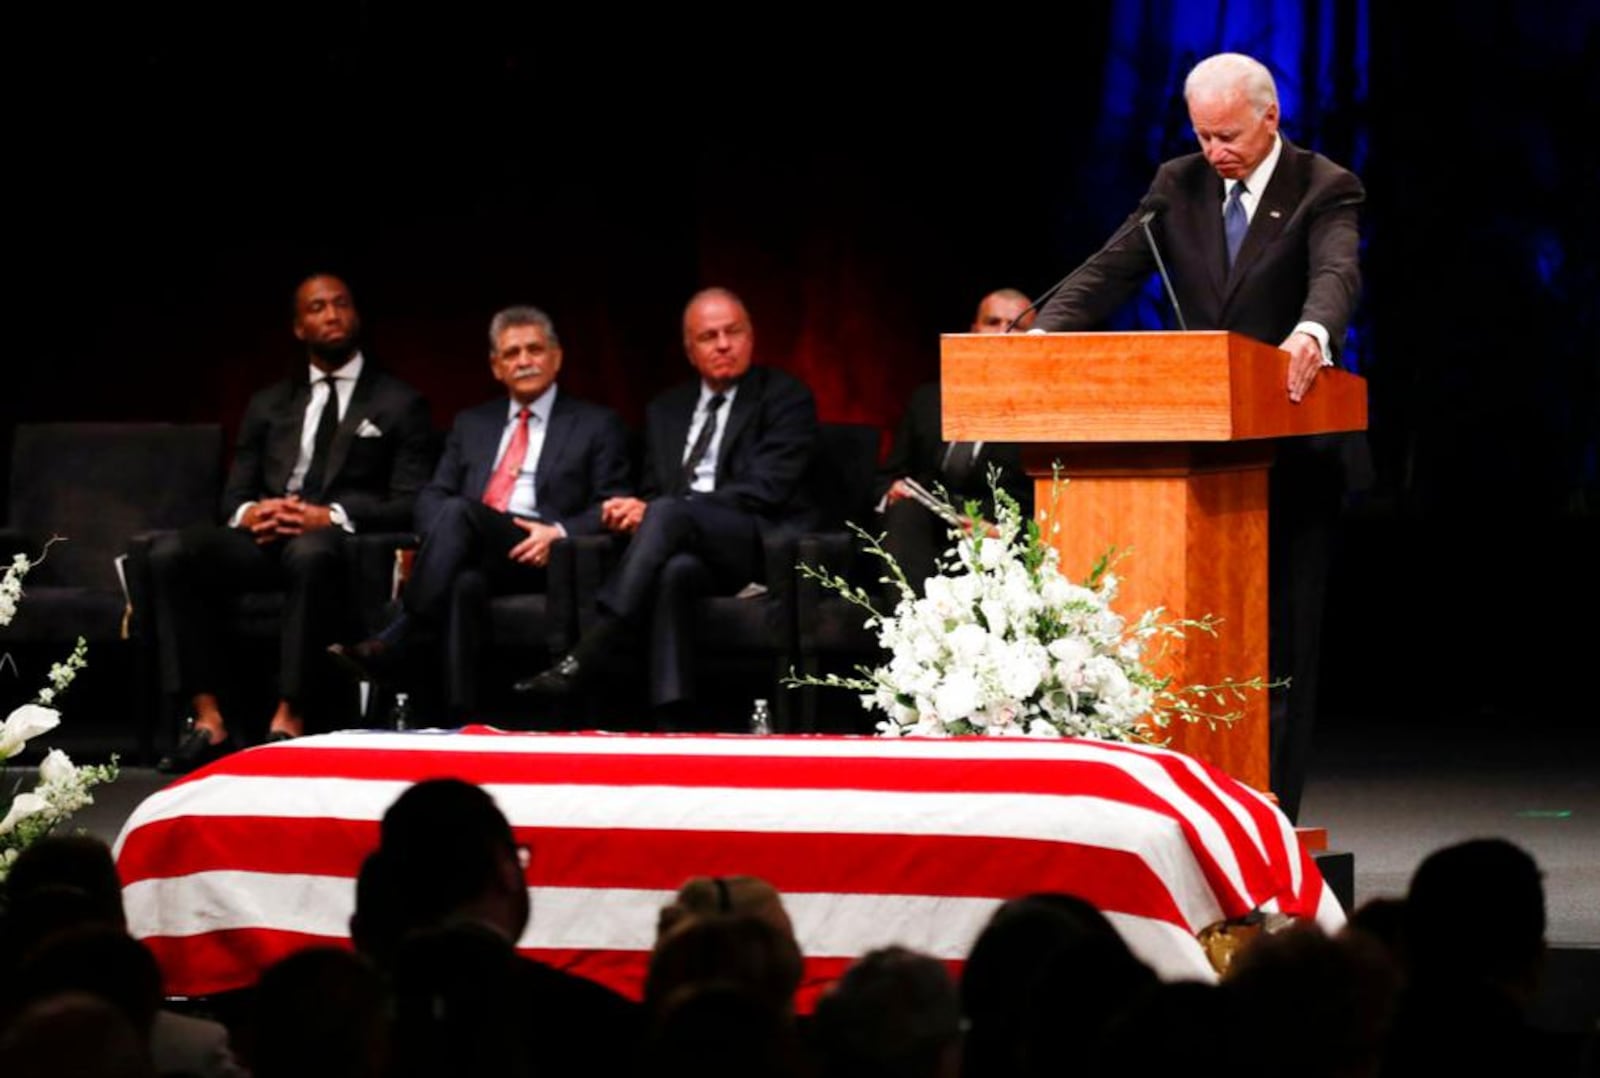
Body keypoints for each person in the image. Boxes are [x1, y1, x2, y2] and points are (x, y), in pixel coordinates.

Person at [1032, 52, 1366, 821]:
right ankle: (1192, 810)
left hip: (1290, 453)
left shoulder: (1325, 185)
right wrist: (1039, 334)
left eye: (1228, 136)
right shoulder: (1176, 185)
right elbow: (1109, 269)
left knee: (1278, 652)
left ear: (1269, 118)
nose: (1215, 152)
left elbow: (1336, 274)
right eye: (1203, 136)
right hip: (1191, 457)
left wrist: (1313, 332)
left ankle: (1271, 815)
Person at [151, 272, 433, 772]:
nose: (331, 315)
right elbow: (233, 496)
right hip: (265, 538)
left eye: (341, 304)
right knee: (172, 553)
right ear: (299, 327)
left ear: (357, 316)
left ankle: (289, 716)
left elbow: (411, 501)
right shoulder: (269, 402)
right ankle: (206, 719)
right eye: (317, 307)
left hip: (340, 549)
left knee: (311, 550)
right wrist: (253, 513)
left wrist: (328, 515)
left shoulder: (398, 402)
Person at [514, 287, 820, 719]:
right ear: (690, 350)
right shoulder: (666, 409)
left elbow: (765, 489)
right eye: (708, 337)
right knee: (674, 572)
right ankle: (672, 714)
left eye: (733, 332)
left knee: (669, 512)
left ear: (751, 336)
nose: (723, 344)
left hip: (754, 540)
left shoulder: (785, 397)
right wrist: (637, 510)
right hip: (684, 547)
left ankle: (594, 646)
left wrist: (669, 510)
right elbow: (655, 490)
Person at [328, 305, 630, 700]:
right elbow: (432, 495)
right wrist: (452, 534)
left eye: (534, 350)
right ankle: (462, 718)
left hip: (544, 555)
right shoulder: (472, 423)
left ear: (557, 357)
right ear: (495, 367)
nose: (524, 361)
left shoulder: (597, 423)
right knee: (462, 574)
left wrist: (558, 532)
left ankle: (400, 635)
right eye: (511, 353)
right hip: (473, 550)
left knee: (459, 514)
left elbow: (615, 503)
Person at [877, 289, 1036, 597]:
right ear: (973, 331)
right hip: (929, 525)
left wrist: (1003, 533)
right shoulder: (927, 400)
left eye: (1016, 325)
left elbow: (1051, 503)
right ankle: (912, 632)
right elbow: (887, 476)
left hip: (996, 530)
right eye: (992, 322)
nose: (1002, 331)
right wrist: (892, 492)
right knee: (904, 512)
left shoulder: (1049, 408)